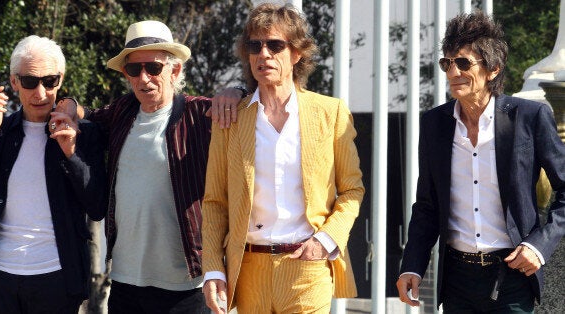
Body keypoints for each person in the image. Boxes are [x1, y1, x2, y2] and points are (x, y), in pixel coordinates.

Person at [56, 20, 244, 313]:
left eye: (153, 68)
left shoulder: (201, 114)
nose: (144, 78)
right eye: (134, 70)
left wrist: (238, 90)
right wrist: (68, 103)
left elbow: (251, 117)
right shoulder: (122, 111)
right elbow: (88, 113)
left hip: (187, 285)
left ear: (175, 71)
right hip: (125, 283)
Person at [201, 3, 365, 313]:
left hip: (307, 267)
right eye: (255, 46)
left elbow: (352, 190)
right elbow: (214, 202)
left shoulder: (329, 113)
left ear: (297, 53)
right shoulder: (231, 118)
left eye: (275, 45)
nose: (264, 54)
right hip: (248, 269)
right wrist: (212, 268)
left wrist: (326, 241)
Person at [396, 12, 565, 313]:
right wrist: (412, 267)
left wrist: (539, 245)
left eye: (464, 63)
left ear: (493, 69)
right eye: (447, 63)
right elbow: (427, 205)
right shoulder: (434, 124)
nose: (453, 72)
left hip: (512, 275)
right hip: (457, 280)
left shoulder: (529, 118)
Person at [0, 35, 107, 313]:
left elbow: (97, 207)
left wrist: (71, 154)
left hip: (57, 278)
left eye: (50, 81)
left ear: (61, 79)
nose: (40, 93)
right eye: (30, 82)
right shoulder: (1, 133)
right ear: (14, 82)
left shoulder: (82, 132)